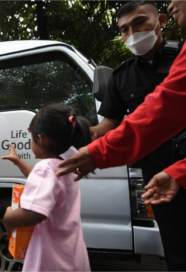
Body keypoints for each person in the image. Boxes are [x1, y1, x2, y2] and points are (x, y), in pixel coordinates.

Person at [56, 1, 186, 270]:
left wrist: (98, 153)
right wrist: (76, 134)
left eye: (139, 23)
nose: (132, 33)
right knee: (176, 249)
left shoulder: (180, 57)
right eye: (124, 29)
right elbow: (110, 125)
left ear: (161, 21)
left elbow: (163, 108)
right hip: (157, 173)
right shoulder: (120, 76)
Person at [2, 104, 90, 272]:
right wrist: (19, 162)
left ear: (42, 139)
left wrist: (8, 218)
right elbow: (46, 185)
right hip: (72, 255)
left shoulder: (47, 167)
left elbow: (35, 213)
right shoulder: (68, 165)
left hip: (51, 260)